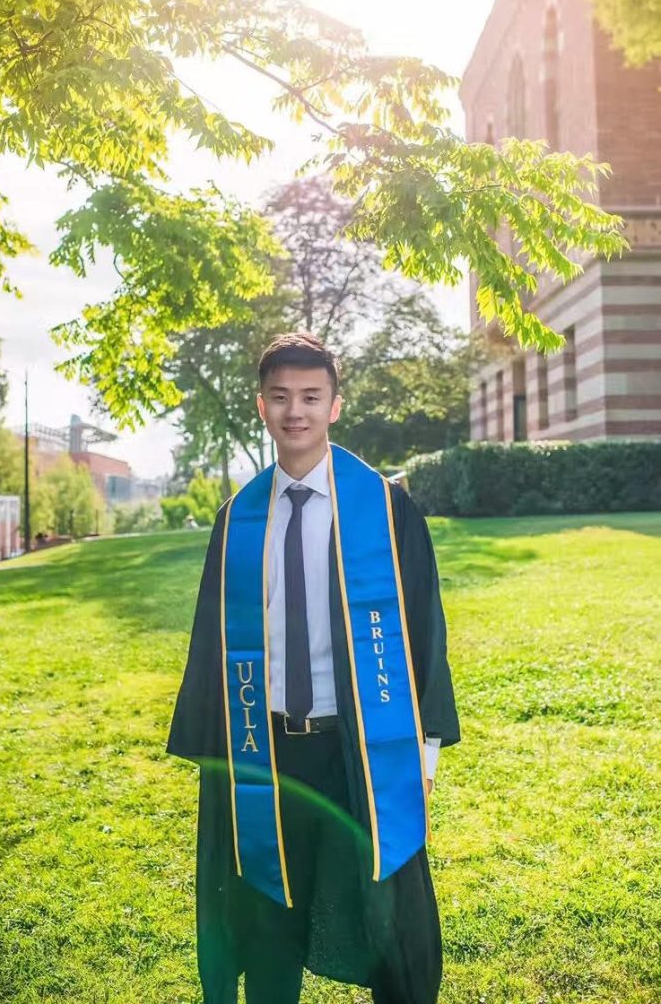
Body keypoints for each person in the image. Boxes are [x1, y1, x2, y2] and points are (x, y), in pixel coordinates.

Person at [167, 332, 460, 1004]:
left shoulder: (385, 510)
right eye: (280, 397)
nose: (294, 411)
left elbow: (424, 630)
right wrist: (216, 758)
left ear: (335, 405)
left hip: (362, 748)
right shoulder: (237, 521)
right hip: (264, 750)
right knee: (267, 918)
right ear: (260, 406)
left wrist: (425, 750)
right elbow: (210, 645)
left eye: (310, 396)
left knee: (387, 912)